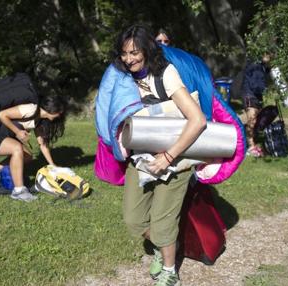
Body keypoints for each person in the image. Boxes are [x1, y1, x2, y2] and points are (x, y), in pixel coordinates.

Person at [113, 25, 206, 285]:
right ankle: (161, 245)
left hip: (175, 160)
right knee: (134, 219)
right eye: (124, 53)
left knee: (163, 221)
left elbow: (197, 120)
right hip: (141, 158)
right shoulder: (125, 80)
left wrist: (168, 156)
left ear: (147, 49)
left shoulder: (166, 74)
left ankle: (169, 270)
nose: (129, 58)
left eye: (135, 52)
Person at [0, 94, 67, 202]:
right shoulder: (30, 109)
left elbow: (42, 144)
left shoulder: (40, 119)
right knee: (17, 149)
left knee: (27, 156)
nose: (60, 115)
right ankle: (19, 192)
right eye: (60, 111)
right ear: (51, 109)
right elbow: (2, 114)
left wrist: (52, 165)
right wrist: (18, 132)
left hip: (0, 136)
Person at [241, 53, 271, 157]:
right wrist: (267, 89)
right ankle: (250, 146)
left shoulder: (261, 66)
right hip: (250, 95)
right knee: (252, 120)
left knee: (254, 120)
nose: (270, 57)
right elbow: (256, 85)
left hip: (256, 96)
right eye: (268, 55)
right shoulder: (255, 66)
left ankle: (246, 140)